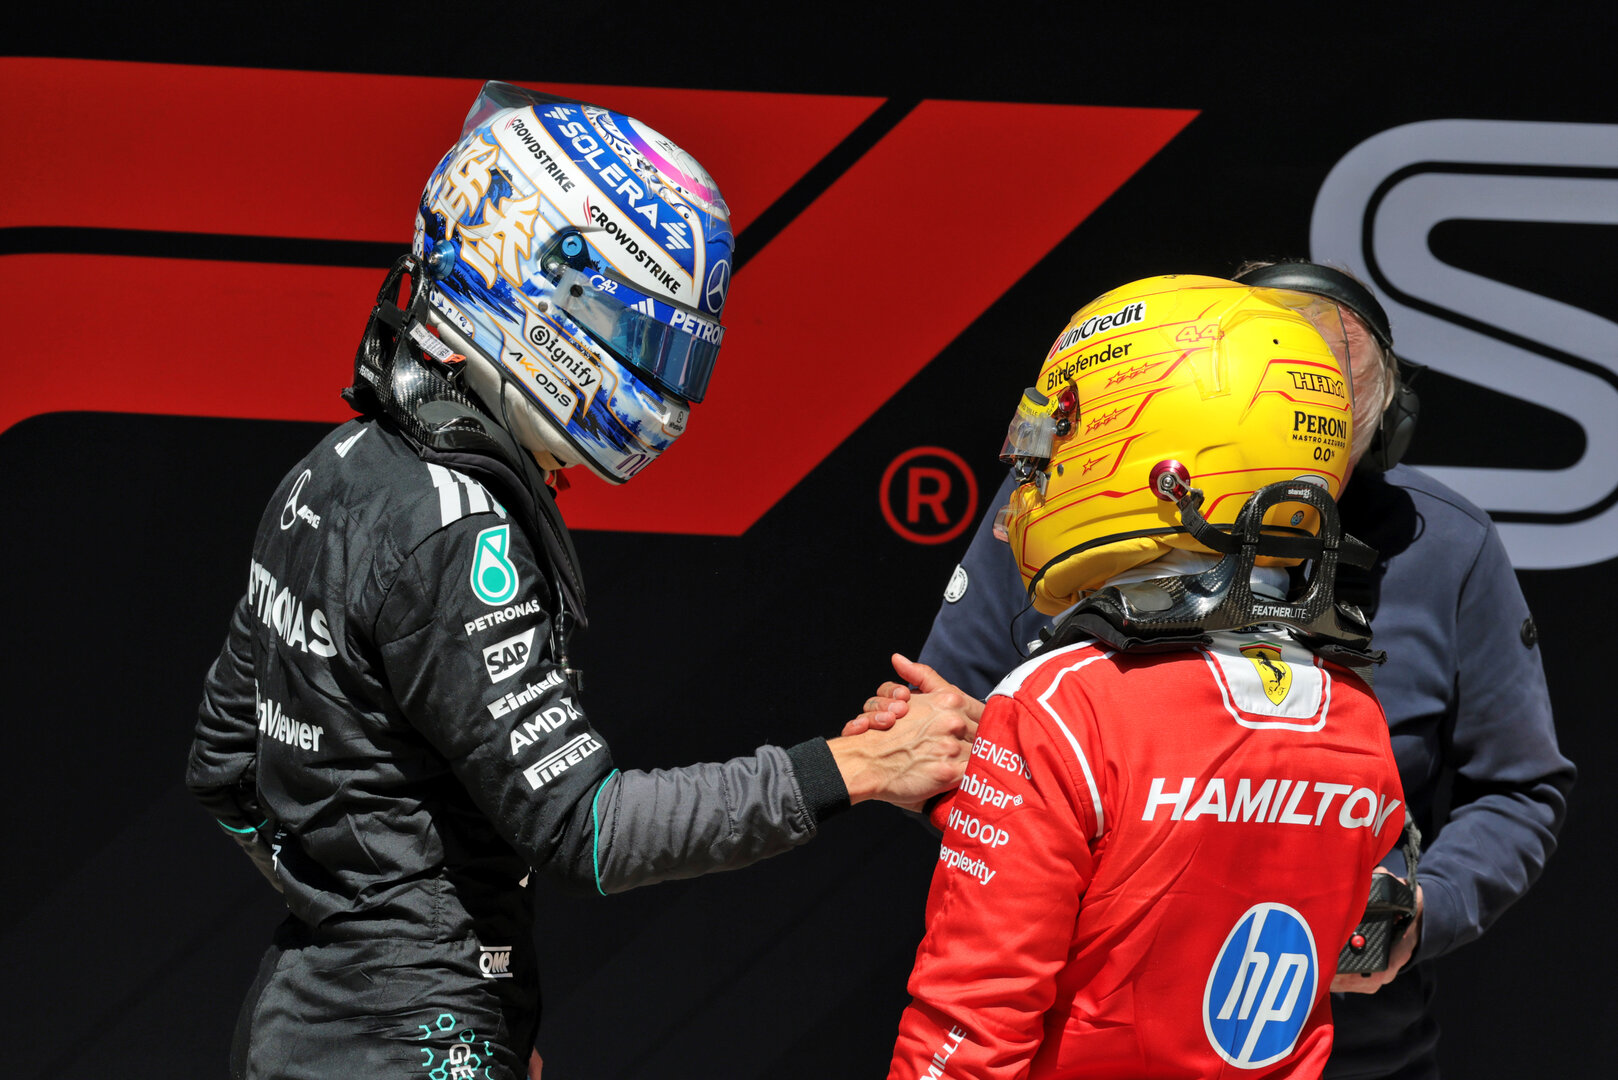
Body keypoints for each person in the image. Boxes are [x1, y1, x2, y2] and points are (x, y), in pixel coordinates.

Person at [185, 81, 973, 1080]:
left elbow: (223, 764)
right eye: (642, 339)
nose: (661, 384)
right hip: (411, 1041)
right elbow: (588, 830)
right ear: (537, 290)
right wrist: (857, 770)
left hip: (304, 1024)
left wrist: (389, 941)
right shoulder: (456, 531)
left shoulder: (332, 469)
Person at [867, 262, 1575, 1078]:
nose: (1294, 457)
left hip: (1349, 1046)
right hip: (1093, 1029)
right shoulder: (1072, 505)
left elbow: (1521, 785)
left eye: (1326, 424)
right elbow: (951, 728)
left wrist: (1422, 909)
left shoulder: (1439, 551)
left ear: (1379, 434)